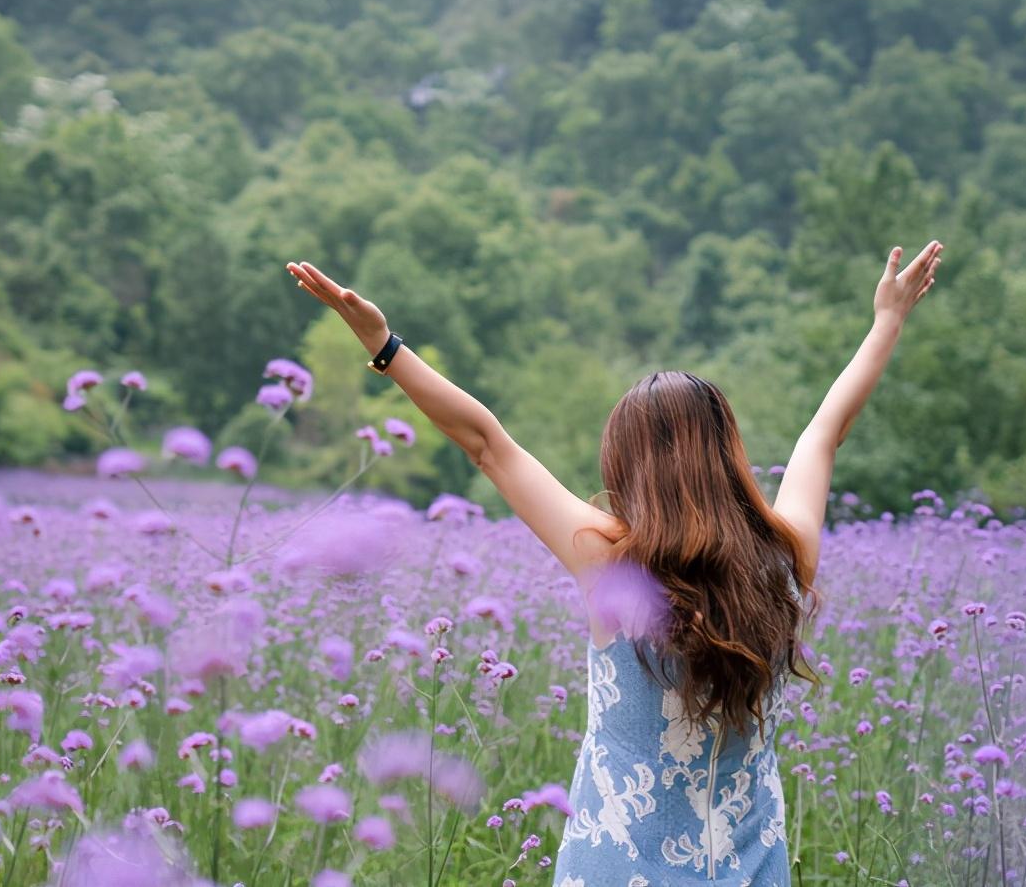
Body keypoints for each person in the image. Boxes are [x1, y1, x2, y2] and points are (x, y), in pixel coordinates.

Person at [285, 238, 942, 886]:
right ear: (726, 455)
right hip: (750, 871)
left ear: (630, 466)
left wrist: (386, 348)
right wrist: (887, 319)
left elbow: (487, 444)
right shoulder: (784, 556)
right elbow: (825, 431)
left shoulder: (610, 560)